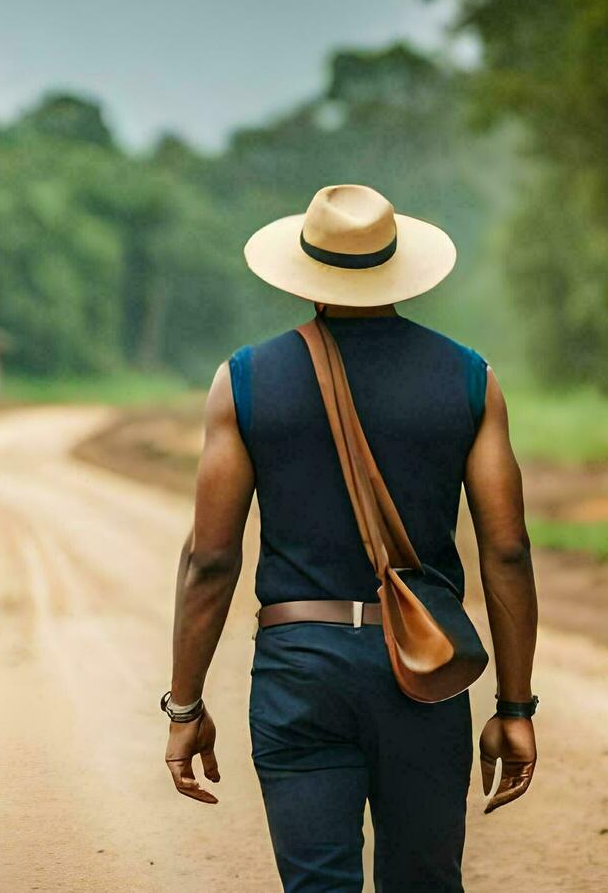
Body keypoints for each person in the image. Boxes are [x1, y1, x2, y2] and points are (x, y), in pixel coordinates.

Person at [163, 184, 539, 891]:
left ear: (304, 270)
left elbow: (211, 560)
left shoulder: (244, 381)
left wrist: (185, 706)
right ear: (397, 265)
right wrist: (514, 708)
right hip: (421, 671)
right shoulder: (470, 379)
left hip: (299, 667)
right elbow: (507, 551)